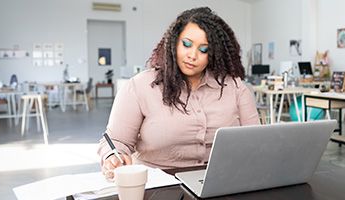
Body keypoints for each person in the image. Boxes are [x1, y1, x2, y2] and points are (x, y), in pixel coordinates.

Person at [98, 7, 259, 179]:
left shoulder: (235, 88)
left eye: (203, 50)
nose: (192, 55)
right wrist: (113, 157)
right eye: (187, 44)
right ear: (174, 43)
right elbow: (117, 141)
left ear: (213, 54)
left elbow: (256, 141)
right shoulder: (139, 86)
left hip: (222, 182)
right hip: (158, 185)